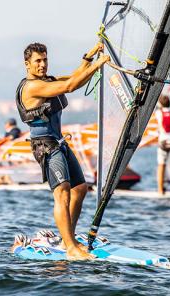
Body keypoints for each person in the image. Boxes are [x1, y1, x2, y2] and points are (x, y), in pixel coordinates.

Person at [14, 42, 109, 260]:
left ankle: (70, 239)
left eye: (45, 59)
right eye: (38, 61)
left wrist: (90, 56)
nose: (43, 64)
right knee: (63, 193)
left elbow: (74, 76)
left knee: (80, 189)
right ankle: (71, 247)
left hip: (59, 141)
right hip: (45, 145)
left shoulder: (46, 80)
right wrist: (99, 64)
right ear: (27, 64)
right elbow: (70, 87)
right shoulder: (32, 87)